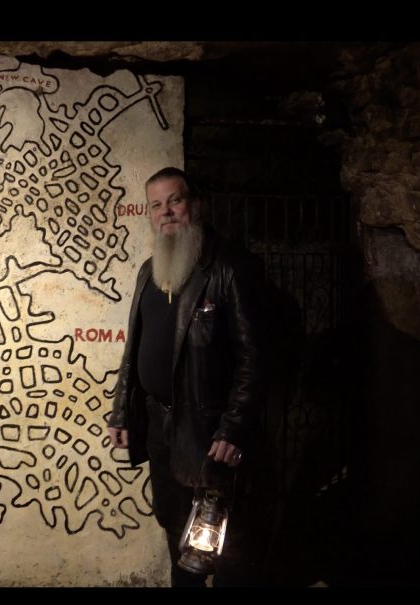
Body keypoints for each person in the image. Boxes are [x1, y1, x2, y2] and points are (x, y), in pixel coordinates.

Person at [108, 167, 264, 587]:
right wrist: (122, 410)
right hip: (160, 425)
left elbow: (256, 357)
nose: (166, 212)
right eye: (156, 205)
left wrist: (233, 428)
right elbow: (133, 349)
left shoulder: (228, 268)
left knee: (220, 541)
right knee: (174, 524)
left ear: (195, 205)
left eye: (174, 201)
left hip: (209, 432)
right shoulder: (148, 271)